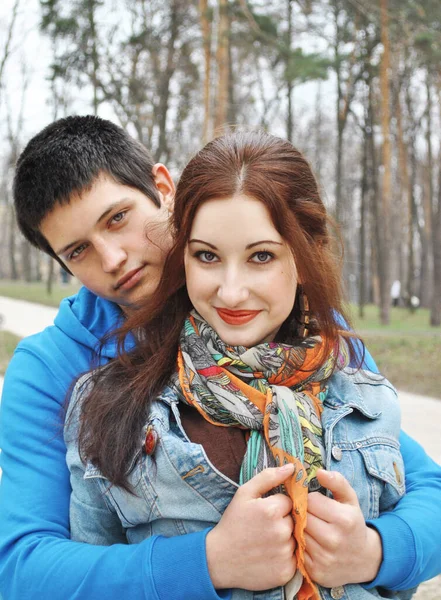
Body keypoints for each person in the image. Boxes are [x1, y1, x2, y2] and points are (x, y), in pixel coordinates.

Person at [0, 117, 438, 599]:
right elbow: (23, 568)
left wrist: (377, 550)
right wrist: (207, 562)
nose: (112, 259)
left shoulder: (289, 325)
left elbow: (411, 478)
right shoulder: (50, 368)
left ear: (162, 188)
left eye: (117, 218)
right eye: (79, 250)